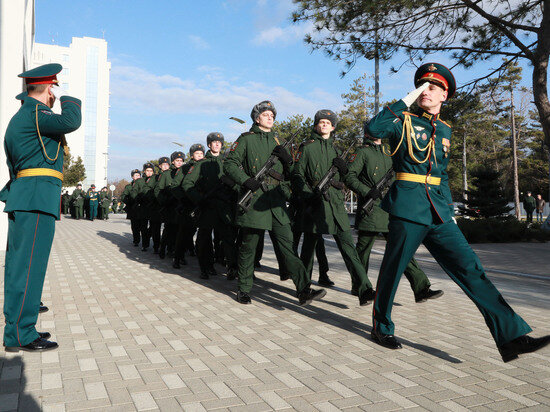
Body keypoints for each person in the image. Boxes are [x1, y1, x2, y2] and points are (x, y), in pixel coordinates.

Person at [366, 62, 549, 362]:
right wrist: (406, 100)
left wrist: (449, 210)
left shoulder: (447, 129)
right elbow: (373, 129)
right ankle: (381, 326)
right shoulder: (403, 120)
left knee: (472, 269)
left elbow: (442, 174)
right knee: (393, 271)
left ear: (445, 96)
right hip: (408, 207)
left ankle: (512, 335)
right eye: (423, 85)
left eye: (434, 87)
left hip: (438, 213)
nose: (428, 90)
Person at [0, 63, 81, 351]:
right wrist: (71, 101)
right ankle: (21, 334)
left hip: (29, 197)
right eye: (54, 89)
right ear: (49, 89)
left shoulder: (25, 117)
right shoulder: (36, 114)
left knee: (22, 267)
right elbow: (70, 121)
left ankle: (21, 328)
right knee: (29, 268)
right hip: (35, 198)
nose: (55, 96)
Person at [224, 100, 326, 305]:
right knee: (249, 247)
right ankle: (244, 288)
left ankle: (303, 290)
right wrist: (246, 181)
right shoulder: (246, 139)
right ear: (257, 117)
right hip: (254, 201)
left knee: (288, 247)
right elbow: (230, 164)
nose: (270, 117)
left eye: (272, 114)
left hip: (276, 203)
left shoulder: (278, 142)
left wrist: (288, 161)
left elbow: (290, 175)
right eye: (266, 114)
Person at [345, 128, 443, 303]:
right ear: (367, 133)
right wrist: (367, 191)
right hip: (371, 209)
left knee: (402, 249)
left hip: (392, 209)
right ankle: (361, 288)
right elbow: (349, 176)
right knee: (363, 251)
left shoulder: (391, 152)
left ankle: (421, 288)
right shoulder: (362, 153)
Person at [292, 110, 374, 306]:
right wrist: (307, 194)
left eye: (328, 122)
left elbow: (346, 178)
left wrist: (344, 169)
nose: (324, 124)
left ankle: (364, 289)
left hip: (336, 205)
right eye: (321, 121)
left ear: (333, 127)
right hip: (314, 203)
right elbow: (297, 176)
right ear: (315, 125)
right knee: (308, 251)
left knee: (349, 248)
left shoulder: (337, 151)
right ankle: (304, 289)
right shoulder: (307, 148)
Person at [182, 133, 238, 279]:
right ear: (209, 145)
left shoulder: (227, 163)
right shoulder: (201, 164)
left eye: (219, 142)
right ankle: (205, 267)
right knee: (204, 239)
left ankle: (232, 267)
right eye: (214, 142)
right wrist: (199, 199)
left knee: (229, 238)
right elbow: (187, 184)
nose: (217, 144)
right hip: (208, 206)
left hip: (224, 205)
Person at [171, 145, 204, 268]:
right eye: (197, 154)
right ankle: (178, 257)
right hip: (188, 205)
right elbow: (175, 186)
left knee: (198, 233)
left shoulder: (206, 166)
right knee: (184, 233)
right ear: (192, 155)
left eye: (201, 153)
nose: (200, 156)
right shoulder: (185, 168)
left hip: (201, 204)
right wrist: (184, 199)